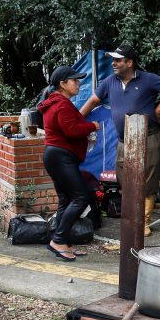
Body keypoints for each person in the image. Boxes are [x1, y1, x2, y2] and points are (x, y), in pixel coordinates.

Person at [79, 44, 160, 235]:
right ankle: (132, 218)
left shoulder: (147, 79)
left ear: (130, 62)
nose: (114, 63)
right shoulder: (110, 82)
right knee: (124, 178)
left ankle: (143, 222)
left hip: (148, 137)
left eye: (118, 60)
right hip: (123, 139)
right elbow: (93, 101)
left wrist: (158, 110)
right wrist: (75, 119)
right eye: (113, 60)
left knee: (147, 179)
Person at [39, 65, 101, 262]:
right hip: (61, 156)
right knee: (80, 198)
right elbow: (72, 130)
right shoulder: (62, 104)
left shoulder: (54, 103)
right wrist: (92, 126)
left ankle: (62, 241)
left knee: (66, 199)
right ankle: (58, 240)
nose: (79, 84)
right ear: (62, 84)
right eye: (75, 80)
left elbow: (68, 127)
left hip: (56, 155)